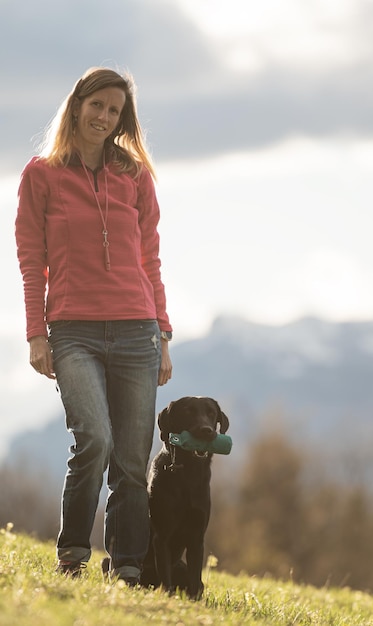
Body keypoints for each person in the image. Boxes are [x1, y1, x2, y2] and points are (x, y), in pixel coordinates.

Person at [15, 67, 173, 586]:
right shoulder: (41, 174)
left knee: (132, 458)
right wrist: (37, 333)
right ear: (77, 104)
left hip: (137, 331)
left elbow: (150, 259)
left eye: (115, 110)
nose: (104, 117)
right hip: (73, 330)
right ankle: (73, 555)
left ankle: (126, 566)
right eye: (97, 105)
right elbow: (31, 259)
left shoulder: (135, 176)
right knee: (95, 440)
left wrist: (163, 335)